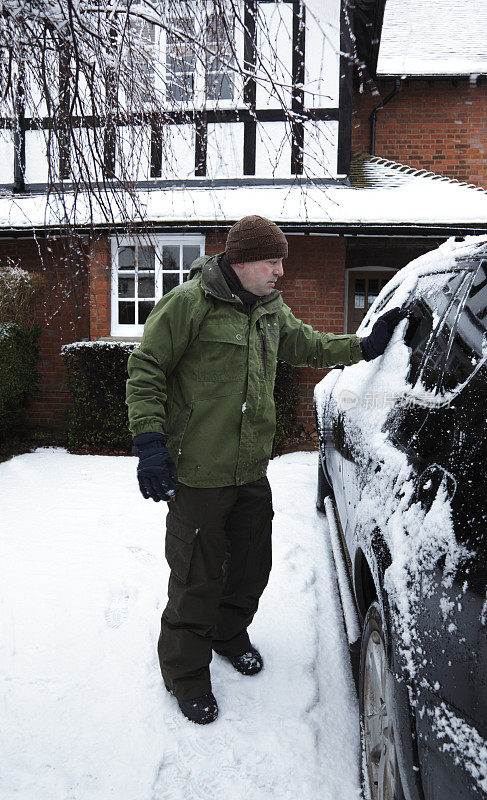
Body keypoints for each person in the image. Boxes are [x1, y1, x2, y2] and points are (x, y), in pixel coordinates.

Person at [126, 215, 406, 724]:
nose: (280, 270)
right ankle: (185, 673)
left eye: (281, 261)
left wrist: (363, 347)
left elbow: (308, 345)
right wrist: (149, 443)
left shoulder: (270, 310)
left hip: (251, 469)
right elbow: (147, 367)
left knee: (253, 564)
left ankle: (229, 633)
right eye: (272, 261)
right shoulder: (189, 304)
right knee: (196, 577)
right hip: (200, 473)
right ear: (242, 261)